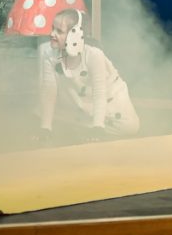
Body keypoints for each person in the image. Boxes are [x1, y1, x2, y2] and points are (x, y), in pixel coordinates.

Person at [37, 8, 140, 142]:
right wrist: (45, 127)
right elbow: (49, 91)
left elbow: (100, 92)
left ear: (75, 35)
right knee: (40, 114)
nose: (52, 34)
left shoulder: (93, 55)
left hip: (109, 100)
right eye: (52, 29)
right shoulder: (49, 54)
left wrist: (98, 127)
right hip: (79, 103)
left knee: (129, 127)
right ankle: (83, 127)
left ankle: (95, 125)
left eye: (59, 31)